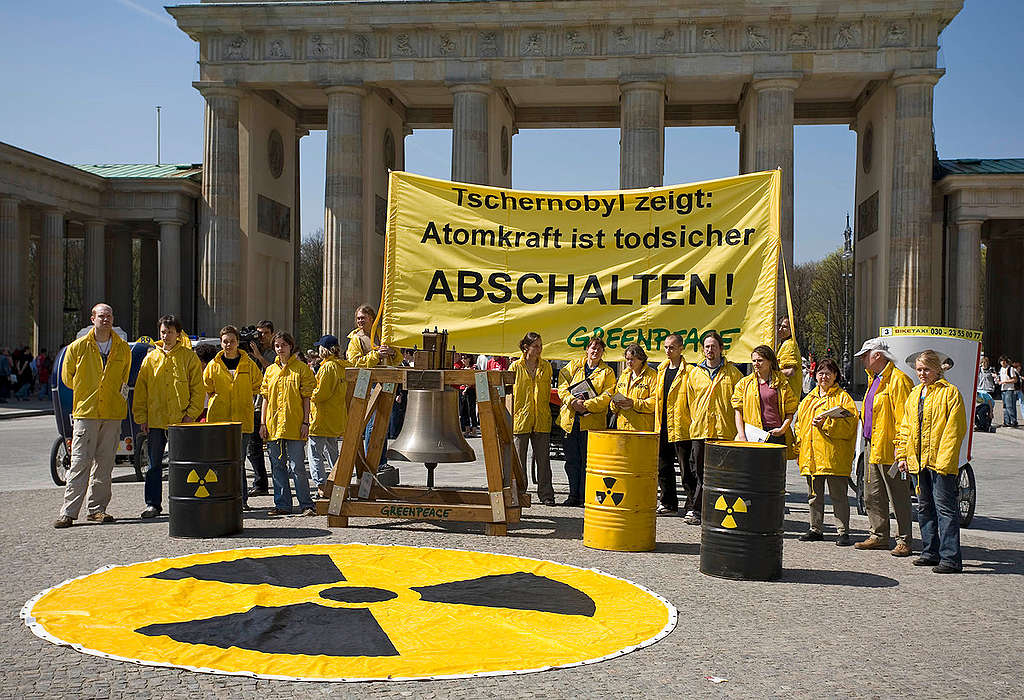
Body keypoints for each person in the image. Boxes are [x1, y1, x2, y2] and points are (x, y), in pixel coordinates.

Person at [54, 303, 131, 528]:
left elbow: (124, 378)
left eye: (109, 316)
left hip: (112, 412)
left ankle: (97, 510)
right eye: (101, 316)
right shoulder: (77, 347)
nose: (105, 319)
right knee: (79, 461)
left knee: (105, 464)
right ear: (92, 319)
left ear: (113, 319)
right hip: (86, 412)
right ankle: (68, 512)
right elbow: (68, 377)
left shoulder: (123, 348)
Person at [895, 349, 967, 573]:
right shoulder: (915, 394)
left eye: (926, 369)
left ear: (938, 369)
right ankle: (929, 551)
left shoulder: (950, 393)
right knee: (925, 508)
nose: (922, 373)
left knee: (945, 509)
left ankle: (951, 558)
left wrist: (944, 462)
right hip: (918, 462)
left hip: (940, 463)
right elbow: (906, 427)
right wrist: (902, 455)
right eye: (919, 369)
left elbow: (954, 431)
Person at [133, 314, 204, 518]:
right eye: (163, 332)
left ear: (178, 334)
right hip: (155, 421)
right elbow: (141, 391)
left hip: (181, 421)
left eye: (170, 332)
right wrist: (142, 417)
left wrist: (190, 416)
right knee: (154, 464)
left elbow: (197, 390)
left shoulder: (188, 357)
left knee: (181, 464)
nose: (166, 336)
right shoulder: (150, 358)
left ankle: (182, 502)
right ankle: (153, 504)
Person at [852, 338, 915, 557]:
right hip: (872, 444)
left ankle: (904, 539)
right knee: (872, 493)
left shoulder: (899, 380)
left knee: (897, 495)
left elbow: (905, 419)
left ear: (877, 355)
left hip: (891, 447)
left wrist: (902, 448)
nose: (862, 360)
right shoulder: (875, 379)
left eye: (864, 355)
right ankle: (879, 535)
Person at [795, 357, 858, 545]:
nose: (824, 377)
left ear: (835, 376)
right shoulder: (809, 399)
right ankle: (815, 528)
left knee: (838, 496)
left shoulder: (843, 398)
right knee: (814, 496)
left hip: (833, 457)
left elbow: (849, 426)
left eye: (828, 373)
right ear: (815, 376)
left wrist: (827, 424)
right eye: (821, 373)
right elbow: (799, 426)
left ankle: (843, 531)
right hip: (812, 456)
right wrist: (799, 448)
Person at [685, 331, 744, 525]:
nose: (710, 350)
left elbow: (739, 403)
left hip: (723, 431)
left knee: (722, 474)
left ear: (721, 348)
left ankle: (718, 511)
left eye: (714, 346)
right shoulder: (694, 374)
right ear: (703, 349)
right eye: (707, 346)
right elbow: (689, 401)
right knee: (699, 472)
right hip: (700, 430)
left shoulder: (733, 374)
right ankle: (698, 510)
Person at [203, 325, 263, 510]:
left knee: (239, 461)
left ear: (238, 343)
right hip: (219, 420)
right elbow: (207, 386)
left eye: (232, 341)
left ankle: (241, 499)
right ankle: (222, 497)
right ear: (221, 343)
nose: (228, 345)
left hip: (242, 420)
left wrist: (242, 397)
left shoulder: (249, 363)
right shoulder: (213, 365)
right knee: (220, 460)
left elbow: (258, 384)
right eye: (225, 342)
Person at [260, 330, 317, 516]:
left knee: (297, 467)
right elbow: (265, 399)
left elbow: (306, 398)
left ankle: (306, 504)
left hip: (294, 424)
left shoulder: (302, 369)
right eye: (277, 346)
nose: (280, 349)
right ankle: (282, 504)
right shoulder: (270, 370)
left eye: (283, 345)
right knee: (277, 466)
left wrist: (305, 423)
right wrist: (263, 424)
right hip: (274, 425)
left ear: (290, 346)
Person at [557, 336, 616, 506]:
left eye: (599, 349)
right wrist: (572, 401)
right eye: (593, 348)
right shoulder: (574, 365)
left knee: (588, 462)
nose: (595, 351)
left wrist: (587, 405)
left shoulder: (608, 372)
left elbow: (607, 395)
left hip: (592, 424)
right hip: (570, 421)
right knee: (572, 461)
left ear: (603, 352)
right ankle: (572, 494)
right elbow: (562, 385)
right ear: (587, 350)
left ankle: (585, 496)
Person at [509, 332, 556, 506]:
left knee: (544, 459)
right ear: (525, 347)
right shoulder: (515, 367)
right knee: (519, 460)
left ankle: (546, 494)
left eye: (540, 346)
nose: (539, 349)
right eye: (535, 346)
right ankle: (520, 493)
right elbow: (509, 394)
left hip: (542, 418)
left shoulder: (546, 366)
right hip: (521, 418)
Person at [732, 345, 797, 453]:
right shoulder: (744, 383)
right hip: (753, 434)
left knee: (774, 469)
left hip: (775, 434)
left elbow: (790, 411)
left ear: (770, 361)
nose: (756, 364)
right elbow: (738, 411)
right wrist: (742, 435)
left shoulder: (782, 382)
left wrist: (782, 430)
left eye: (760, 360)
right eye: (754, 361)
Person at [653, 334, 691, 515]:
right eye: (666, 347)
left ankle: (692, 504)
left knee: (686, 469)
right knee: (663, 467)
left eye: (672, 347)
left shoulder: (689, 371)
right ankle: (668, 503)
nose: (668, 351)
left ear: (681, 348)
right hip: (662, 426)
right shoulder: (661, 370)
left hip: (681, 426)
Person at [308, 334, 350, 498]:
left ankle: (322, 486)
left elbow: (321, 394)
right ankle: (338, 483)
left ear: (324, 349)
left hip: (321, 418)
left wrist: (308, 394)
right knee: (332, 453)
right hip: (335, 417)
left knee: (315, 454)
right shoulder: (341, 366)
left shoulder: (327, 367)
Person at [245, 320, 277, 497]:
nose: (261, 337)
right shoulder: (249, 353)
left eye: (265, 333)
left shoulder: (275, 351)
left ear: (271, 333)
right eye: (259, 333)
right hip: (252, 404)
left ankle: (268, 483)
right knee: (253, 448)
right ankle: (260, 483)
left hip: (268, 404)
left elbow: (272, 370)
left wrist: (258, 356)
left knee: (270, 447)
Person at [611, 343, 657, 432]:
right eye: (627, 359)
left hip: (642, 429)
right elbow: (614, 398)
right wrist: (614, 404)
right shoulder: (623, 375)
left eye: (632, 359)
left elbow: (655, 402)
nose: (629, 362)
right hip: (622, 428)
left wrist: (633, 403)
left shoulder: (652, 376)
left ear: (641, 359)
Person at [775, 316, 803, 400]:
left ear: (792, 329)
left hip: (788, 396)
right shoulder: (782, 344)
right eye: (779, 326)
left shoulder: (789, 345)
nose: (780, 329)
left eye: (784, 327)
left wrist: (770, 376)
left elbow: (790, 371)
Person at [998, 355, 1018, 427]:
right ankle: (1006, 422)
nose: (1002, 362)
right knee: (1005, 406)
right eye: (1001, 361)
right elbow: (1000, 379)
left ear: (1006, 362)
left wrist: (1005, 382)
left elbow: (1015, 380)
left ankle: (1013, 421)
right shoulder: (1001, 369)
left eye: (1003, 361)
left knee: (1009, 406)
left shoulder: (1010, 368)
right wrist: (998, 380)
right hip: (1003, 389)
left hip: (1009, 389)